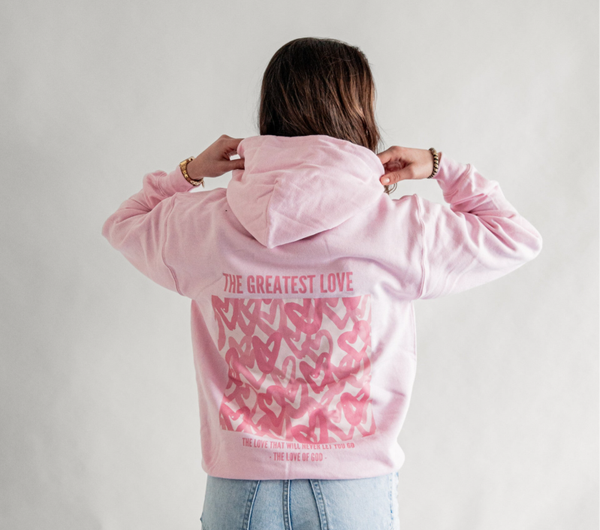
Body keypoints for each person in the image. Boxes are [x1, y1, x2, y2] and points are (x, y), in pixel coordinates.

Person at [102, 37, 542, 530]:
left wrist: (190, 172)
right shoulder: (401, 229)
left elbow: (124, 223)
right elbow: (515, 237)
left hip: (240, 488)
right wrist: (441, 167)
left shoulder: (204, 225)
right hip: (354, 490)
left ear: (270, 108)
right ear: (360, 114)